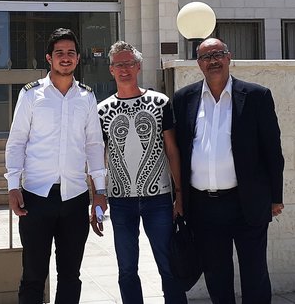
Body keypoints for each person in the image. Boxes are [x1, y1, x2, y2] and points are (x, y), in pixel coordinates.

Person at [172, 38, 285, 304]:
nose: (213, 61)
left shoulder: (257, 96)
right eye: (206, 57)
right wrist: (179, 198)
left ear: (229, 57)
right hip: (203, 206)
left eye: (218, 54)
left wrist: (276, 197)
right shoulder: (184, 99)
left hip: (247, 202)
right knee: (216, 275)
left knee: (254, 273)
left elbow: (272, 150)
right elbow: (178, 150)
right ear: (198, 64)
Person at [5, 28, 109, 304]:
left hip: (74, 199)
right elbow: (17, 142)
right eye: (60, 53)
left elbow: (94, 147)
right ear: (49, 58)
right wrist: (13, 186)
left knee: (70, 276)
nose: (66, 58)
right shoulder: (31, 95)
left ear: (77, 59)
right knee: (33, 277)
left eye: (71, 53)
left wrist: (100, 191)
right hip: (36, 198)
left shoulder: (86, 97)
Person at [94, 41, 187, 304]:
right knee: (126, 269)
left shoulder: (160, 103)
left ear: (139, 66)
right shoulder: (101, 111)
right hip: (120, 201)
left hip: (158, 199)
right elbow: (97, 157)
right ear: (111, 70)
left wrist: (179, 195)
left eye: (129, 64)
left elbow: (172, 151)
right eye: (119, 65)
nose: (125, 69)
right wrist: (97, 198)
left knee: (168, 266)